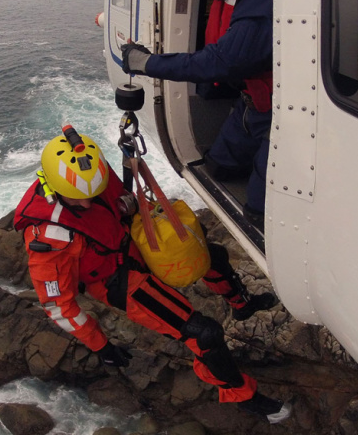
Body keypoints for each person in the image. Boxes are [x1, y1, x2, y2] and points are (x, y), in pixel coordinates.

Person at [14, 126, 290, 423]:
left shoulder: (89, 175)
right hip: (116, 280)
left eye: (91, 195)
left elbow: (113, 199)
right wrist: (101, 344)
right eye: (79, 200)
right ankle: (243, 396)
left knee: (214, 257)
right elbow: (58, 304)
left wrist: (126, 201)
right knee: (204, 333)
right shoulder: (48, 238)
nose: (87, 203)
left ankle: (241, 305)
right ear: (56, 188)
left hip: (129, 241)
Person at [121, 0, 274, 230]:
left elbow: (222, 61)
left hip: (277, 115)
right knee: (217, 167)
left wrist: (147, 63)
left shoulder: (261, 0)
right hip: (251, 105)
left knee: (258, 213)